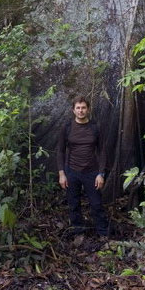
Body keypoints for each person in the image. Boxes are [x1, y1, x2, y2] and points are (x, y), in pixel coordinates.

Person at [57, 96, 108, 237]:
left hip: (92, 172)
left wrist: (101, 174)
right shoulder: (67, 127)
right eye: (78, 108)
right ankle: (78, 231)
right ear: (73, 110)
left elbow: (102, 151)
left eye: (83, 107)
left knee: (96, 204)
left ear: (88, 109)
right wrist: (62, 174)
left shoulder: (95, 127)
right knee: (73, 204)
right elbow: (60, 151)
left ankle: (103, 234)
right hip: (71, 171)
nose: (81, 111)